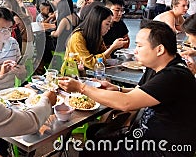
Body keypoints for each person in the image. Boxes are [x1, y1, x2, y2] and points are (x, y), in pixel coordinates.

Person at [59, 21, 196, 156]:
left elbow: (126, 103)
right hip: (144, 137)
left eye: (140, 46)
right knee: (95, 133)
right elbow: (141, 92)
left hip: (163, 149)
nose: (135, 51)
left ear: (159, 49)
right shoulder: (157, 66)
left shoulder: (174, 76)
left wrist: (81, 87)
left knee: (91, 151)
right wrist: (117, 89)